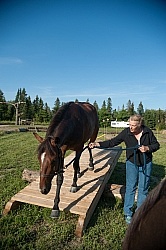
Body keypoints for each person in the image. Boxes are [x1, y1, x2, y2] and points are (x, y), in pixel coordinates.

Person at [89, 114, 160, 224]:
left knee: (143, 188)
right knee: (130, 187)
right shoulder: (126, 132)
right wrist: (97, 144)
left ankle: (139, 213)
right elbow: (113, 142)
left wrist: (148, 148)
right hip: (132, 163)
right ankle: (128, 212)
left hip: (146, 164)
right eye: (130, 125)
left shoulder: (147, 132)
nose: (131, 127)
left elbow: (156, 145)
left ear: (140, 125)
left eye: (134, 126)